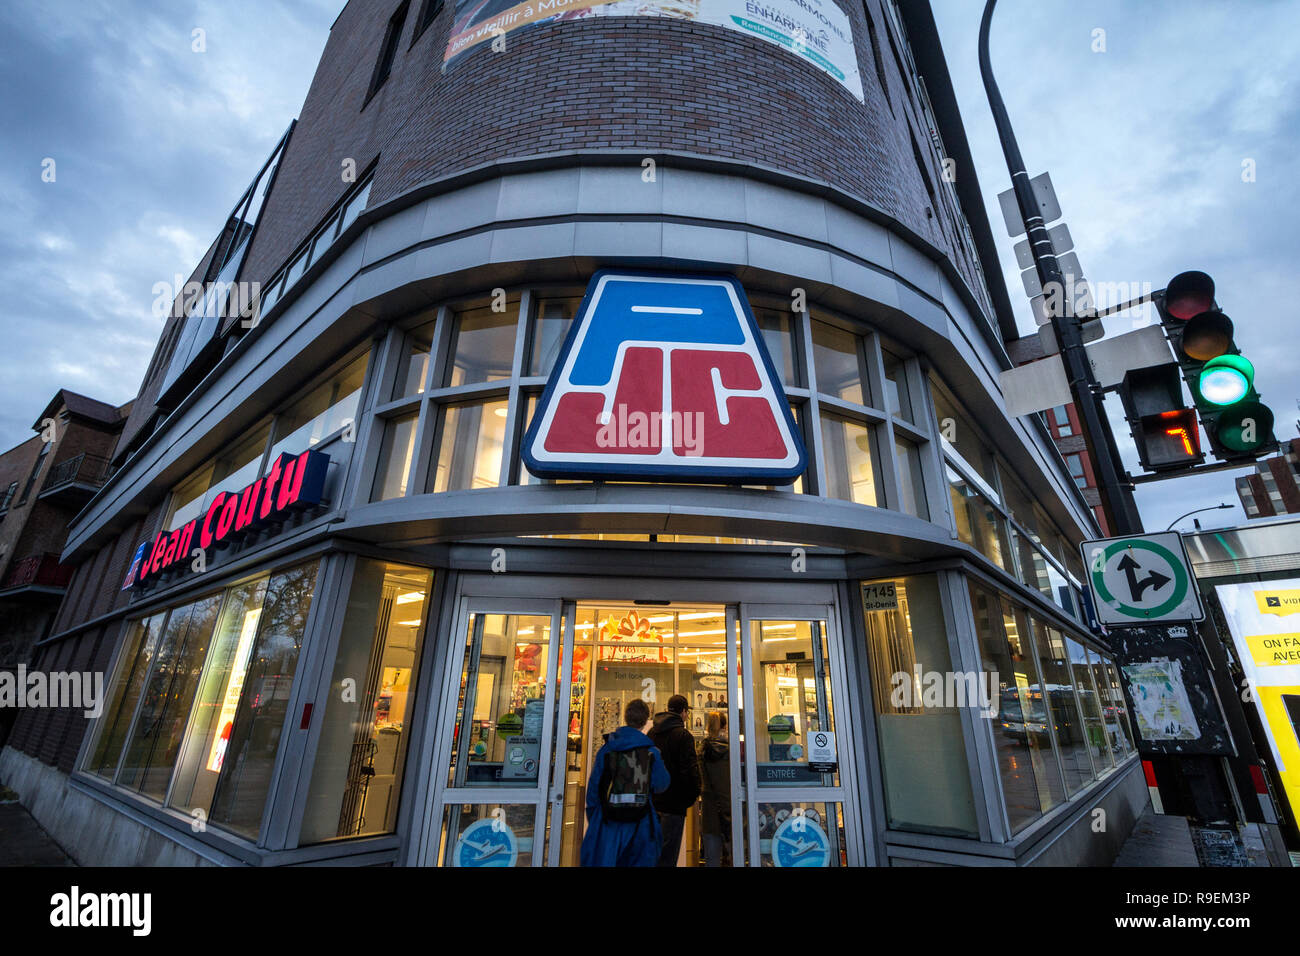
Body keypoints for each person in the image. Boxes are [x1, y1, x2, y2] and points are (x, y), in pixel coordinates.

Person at [580, 698, 670, 867]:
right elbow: (662, 784)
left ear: (625, 717)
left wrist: (596, 818)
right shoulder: (651, 751)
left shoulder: (607, 749)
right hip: (641, 825)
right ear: (645, 721)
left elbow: (594, 789)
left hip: (608, 824)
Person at [646, 694, 702, 866]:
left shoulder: (652, 733)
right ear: (683, 712)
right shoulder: (683, 736)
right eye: (687, 712)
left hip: (653, 803)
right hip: (674, 806)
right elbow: (690, 771)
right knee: (668, 857)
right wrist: (690, 797)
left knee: (652, 854)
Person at [698, 711, 731, 867]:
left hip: (709, 808)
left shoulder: (702, 749)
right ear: (725, 727)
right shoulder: (732, 750)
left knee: (712, 858)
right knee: (735, 855)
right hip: (730, 809)